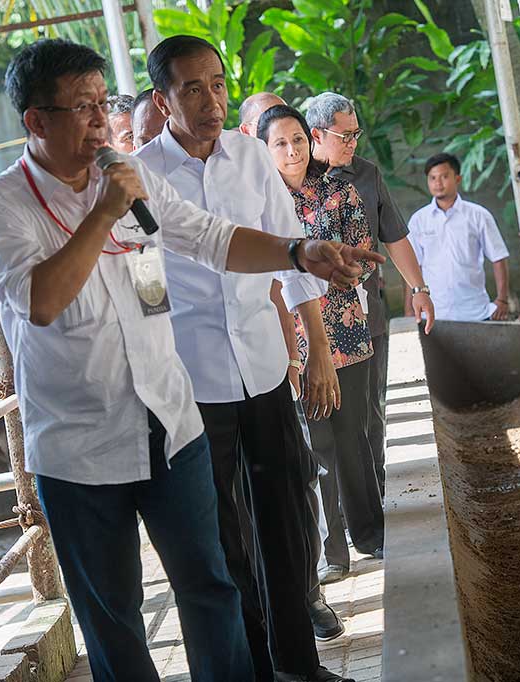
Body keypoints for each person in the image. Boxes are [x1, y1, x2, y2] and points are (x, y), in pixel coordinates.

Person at [0, 39, 382, 682]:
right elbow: (41, 300)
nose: (100, 122)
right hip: (83, 447)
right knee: (116, 622)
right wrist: (106, 211)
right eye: (81, 108)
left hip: (171, 422)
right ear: (36, 121)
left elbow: (211, 238)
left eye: (102, 105)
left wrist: (300, 254)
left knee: (210, 588)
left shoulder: (136, 180)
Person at [136, 36, 352, 682]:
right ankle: (254, 668)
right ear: (162, 98)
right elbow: (146, 288)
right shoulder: (142, 174)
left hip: (262, 368)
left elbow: (294, 252)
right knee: (223, 538)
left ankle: (300, 664)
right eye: (192, 88)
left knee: (284, 520)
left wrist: (316, 353)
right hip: (193, 379)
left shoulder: (251, 158)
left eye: (218, 84)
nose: (211, 100)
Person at [258, 104, 384, 585]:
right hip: (291, 338)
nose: (291, 151)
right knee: (317, 444)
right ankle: (332, 551)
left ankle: (370, 532)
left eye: (296, 140)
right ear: (265, 150)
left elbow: (365, 257)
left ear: (310, 141)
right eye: (279, 143)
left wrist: (342, 269)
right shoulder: (260, 202)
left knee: (353, 434)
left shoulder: (339, 189)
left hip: (345, 328)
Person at [236, 90, 344, 643]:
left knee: (295, 480)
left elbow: (293, 271)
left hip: (272, 362)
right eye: (270, 139)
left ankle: (306, 596)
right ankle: (266, 619)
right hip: (209, 378)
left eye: (291, 137)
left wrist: (311, 352)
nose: (284, 149)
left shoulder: (280, 190)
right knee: (239, 506)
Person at [306, 92, 434, 542]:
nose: (353, 143)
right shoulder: (288, 185)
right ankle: (334, 536)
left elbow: (393, 236)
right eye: (345, 135)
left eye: (356, 133)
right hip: (308, 329)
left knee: (367, 419)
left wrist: (418, 289)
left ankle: (373, 508)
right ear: (316, 134)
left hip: (366, 319)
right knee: (321, 434)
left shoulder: (365, 176)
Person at [405, 152, 510, 322]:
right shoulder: (418, 220)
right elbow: (412, 265)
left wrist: (502, 299)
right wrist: (409, 310)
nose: (438, 183)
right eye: (432, 178)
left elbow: (499, 258)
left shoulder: (478, 215)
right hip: (433, 313)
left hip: (475, 311)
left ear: (458, 179)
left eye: (444, 176)